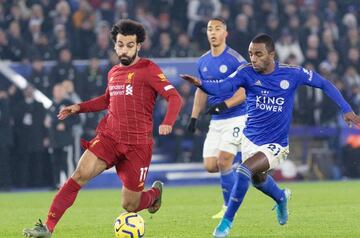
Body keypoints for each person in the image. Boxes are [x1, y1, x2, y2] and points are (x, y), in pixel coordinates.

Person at [181, 33, 360, 238]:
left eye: (258, 54)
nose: (253, 59)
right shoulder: (246, 72)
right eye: (250, 54)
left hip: (276, 144)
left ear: (272, 55)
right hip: (250, 139)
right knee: (258, 180)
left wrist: (346, 109)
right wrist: (200, 83)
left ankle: (225, 224)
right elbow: (222, 87)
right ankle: (281, 198)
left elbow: (324, 84)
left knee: (243, 170)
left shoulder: (291, 74)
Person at [23, 19, 183, 237]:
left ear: (138, 46)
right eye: (120, 44)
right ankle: (47, 228)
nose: (124, 49)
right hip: (109, 137)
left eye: (129, 45)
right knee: (79, 174)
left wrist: (168, 122)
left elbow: (174, 97)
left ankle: (154, 194)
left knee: (130, 205)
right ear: (114, 45)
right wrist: (78, 107)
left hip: (137, 145)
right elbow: (107, 100)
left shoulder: (148, 69)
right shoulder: (113, 72)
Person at [186, 17, 247, 219]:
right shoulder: (203, 61)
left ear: (225, 33)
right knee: (210, 165)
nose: (213, 32)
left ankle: (228, 209)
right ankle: (241, 168)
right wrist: (194, 117)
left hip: (237, 117)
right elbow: (201, 91)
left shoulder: (235, 60)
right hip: (217, 121)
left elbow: (245, 91)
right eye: (210, 29)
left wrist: (225, 105)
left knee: (223, 161)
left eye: (217, 28)